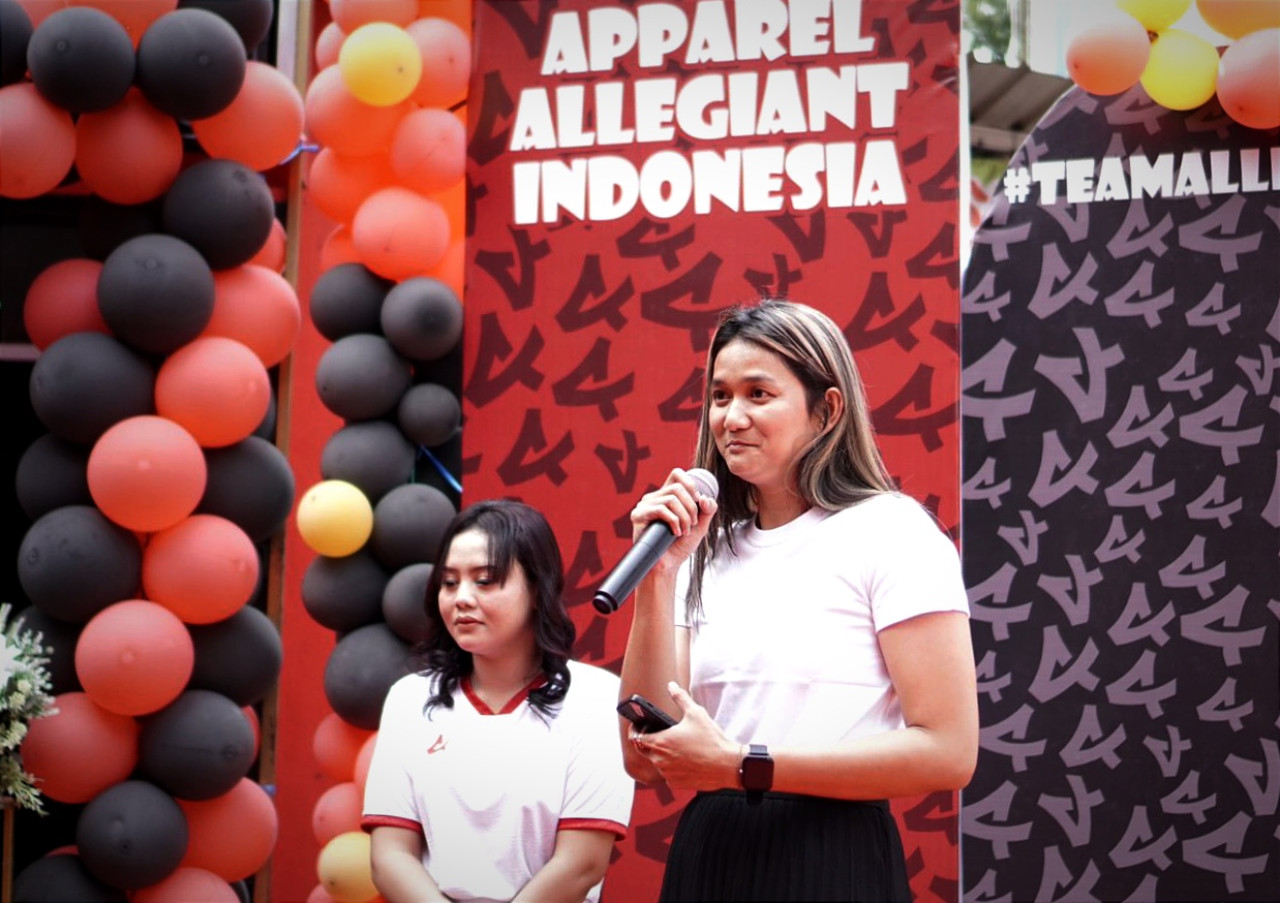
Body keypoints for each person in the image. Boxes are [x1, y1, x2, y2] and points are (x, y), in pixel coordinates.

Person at [618, 298, 978, 902]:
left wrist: (744, 764)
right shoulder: (701, 551)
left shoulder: (891, 531)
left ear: (826, 410)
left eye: (758, 394)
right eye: (720, 396)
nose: (731, 417)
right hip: (710, 851)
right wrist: (658, 578)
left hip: (832, 850)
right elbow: (646, 759)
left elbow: (948, 752)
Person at [362, 499, 635, 903]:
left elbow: (582, 865)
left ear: (538, 590)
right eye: (449, 582)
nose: (462, 598)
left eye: (485, 580)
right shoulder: (410, 700)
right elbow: (389, 856)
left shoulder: (596, 699)